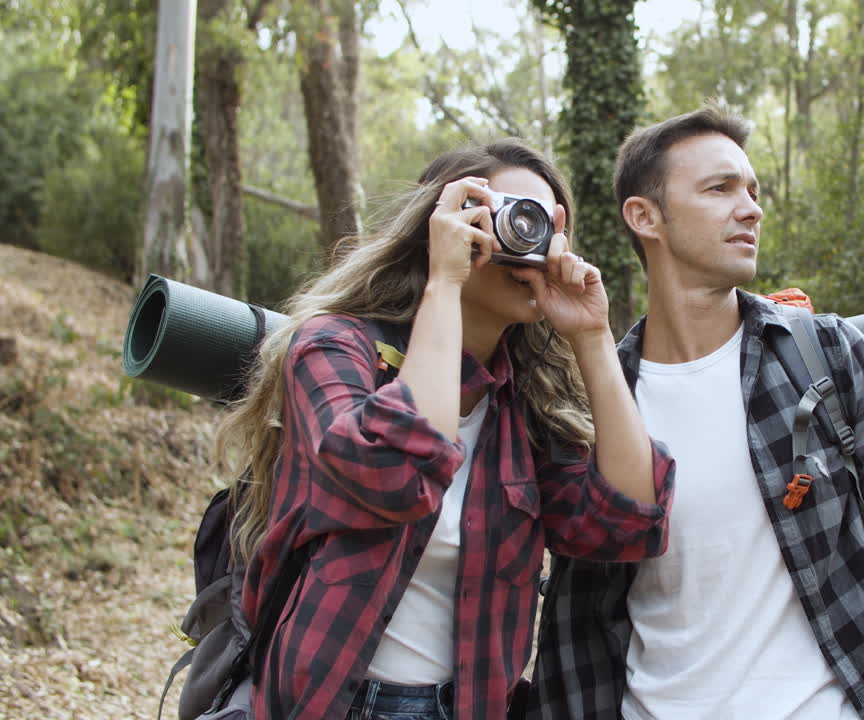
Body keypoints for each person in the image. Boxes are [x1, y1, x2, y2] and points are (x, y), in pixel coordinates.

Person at [216, 139, 675, 720]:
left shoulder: (523, 407)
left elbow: (626, 524)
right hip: (329, 702)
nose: (526, 240)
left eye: (543, 224)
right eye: (506, 214)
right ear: (444, 225)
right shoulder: (336, 347)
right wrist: (444, 283)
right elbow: (399, 476)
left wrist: (591, 335)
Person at [528, 105, 864, 720]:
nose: (751, 207)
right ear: (644, 216)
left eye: (752, 190)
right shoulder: (596, 401)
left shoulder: (829, 356)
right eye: (720, 188)